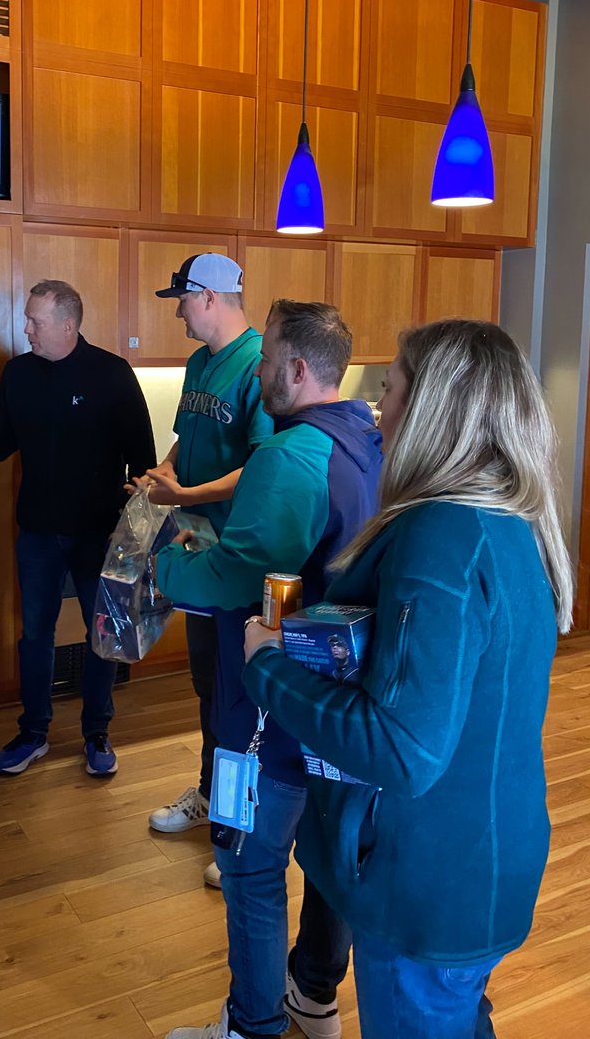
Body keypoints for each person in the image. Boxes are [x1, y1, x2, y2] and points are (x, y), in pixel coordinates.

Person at [244, 319, 574, 1039]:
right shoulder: (503, 519)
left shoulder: (441, 535)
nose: (374, 408)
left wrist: (267, 665)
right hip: (480, 858)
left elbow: (402, 748)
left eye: (387, 388)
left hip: (427, 882)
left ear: (430, 408)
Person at [156, 301, 383, 1039]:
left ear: (294, 369)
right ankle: (312, 1000)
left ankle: (251, 1025)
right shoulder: (365, 440)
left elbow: (237, 578)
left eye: (266, 360)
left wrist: (162, 564)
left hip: (265, 715)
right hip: (338, 710)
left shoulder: (286, 458)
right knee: (326, 865)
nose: (256, 372)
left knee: (250, 869)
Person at [0, 279, 156, 777]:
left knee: (103, 635)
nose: (26, 330)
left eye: (35, 322)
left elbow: (143, 464)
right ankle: (34, 731)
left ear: (68, 325)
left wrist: (132, 535)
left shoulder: (112, 374)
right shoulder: (18, 374)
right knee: (35, 633)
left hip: (98, 534)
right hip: (38, 531)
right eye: (27, 319)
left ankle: (96, 731)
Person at [143, 253, 273, 883]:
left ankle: (238, 825)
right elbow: (184, 439)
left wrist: (185, 496)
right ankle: (210, 797)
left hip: (237, 558)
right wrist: (164, 474)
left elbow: (259, 467)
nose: (178, 310)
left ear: (211, 297)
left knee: (240, 699)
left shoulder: (257, 366)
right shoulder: (198, 364)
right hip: (197, 552)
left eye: (182, 299)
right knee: (207, 688)